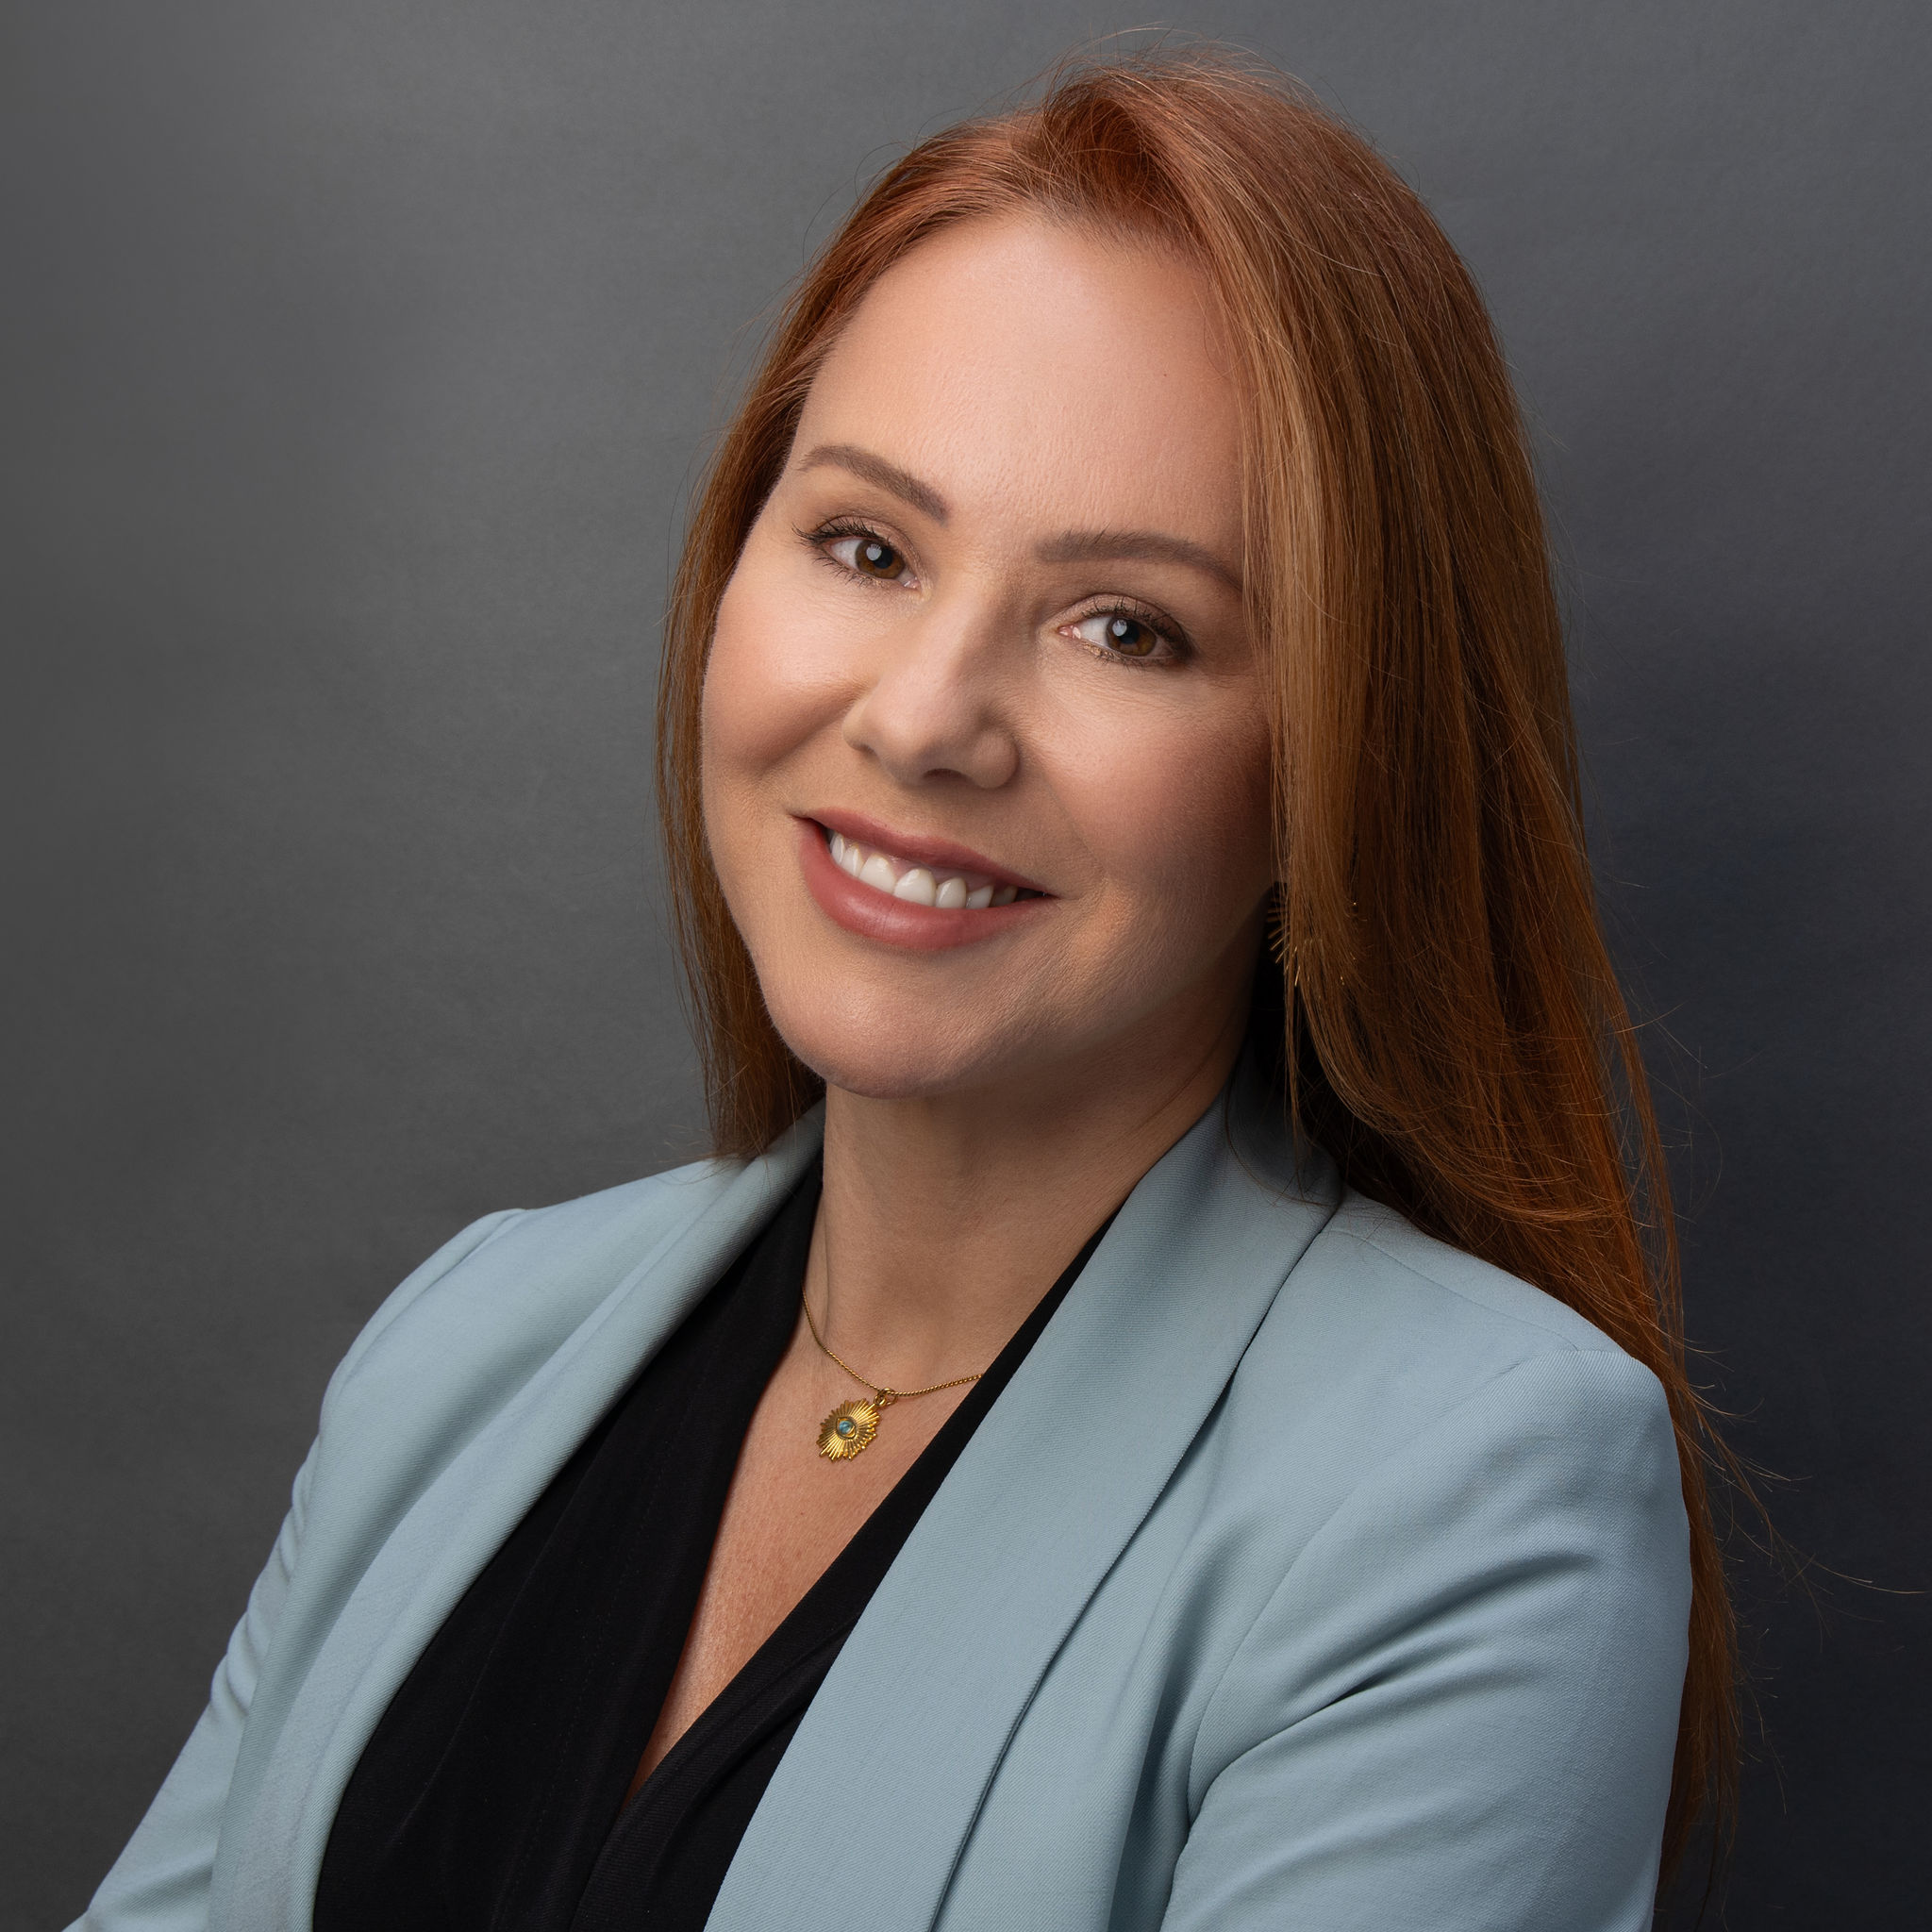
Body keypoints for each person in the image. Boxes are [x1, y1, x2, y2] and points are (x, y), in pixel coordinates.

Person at [71, 47, 1732, 1932]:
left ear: (1333, 767)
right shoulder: (467, 1344)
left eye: (1130, 625)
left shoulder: (1469, 1490)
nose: (926, 716)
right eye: (866, 545)